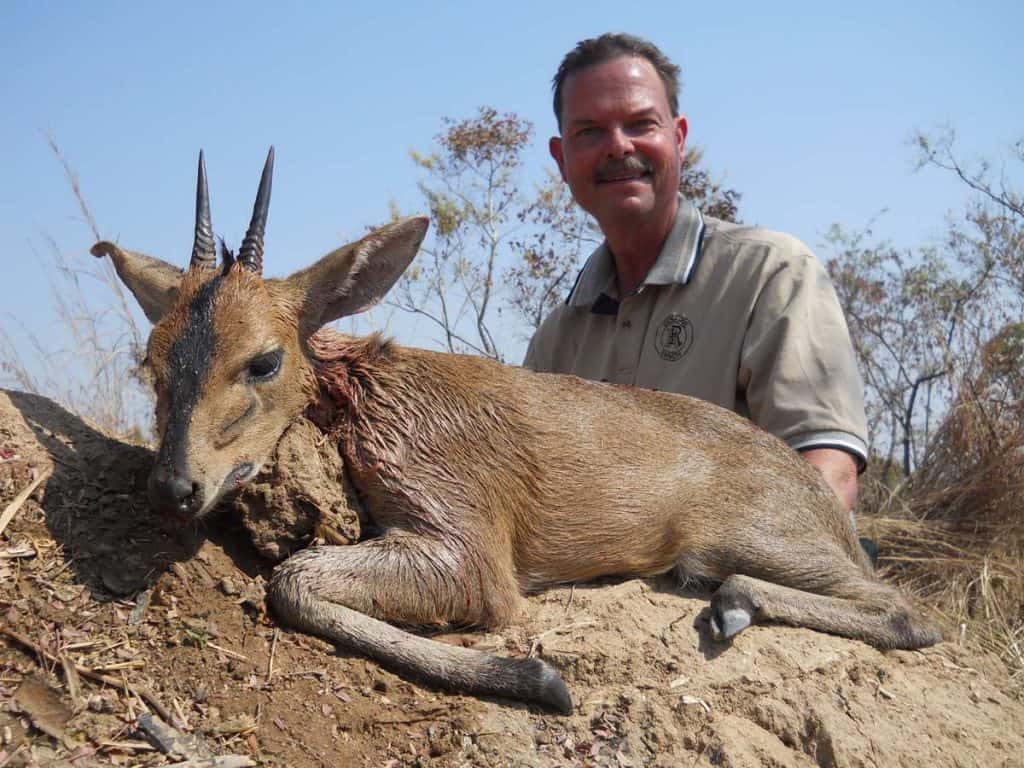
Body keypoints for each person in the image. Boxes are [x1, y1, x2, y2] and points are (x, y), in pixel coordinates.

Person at [524, 33, 868, 513]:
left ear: (679, 138)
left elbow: (828, 469)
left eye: (641, 123)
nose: (618, 146)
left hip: (744, 578)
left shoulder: (771, 274)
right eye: (590, 132)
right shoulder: (556, 341)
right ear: (561, 160)